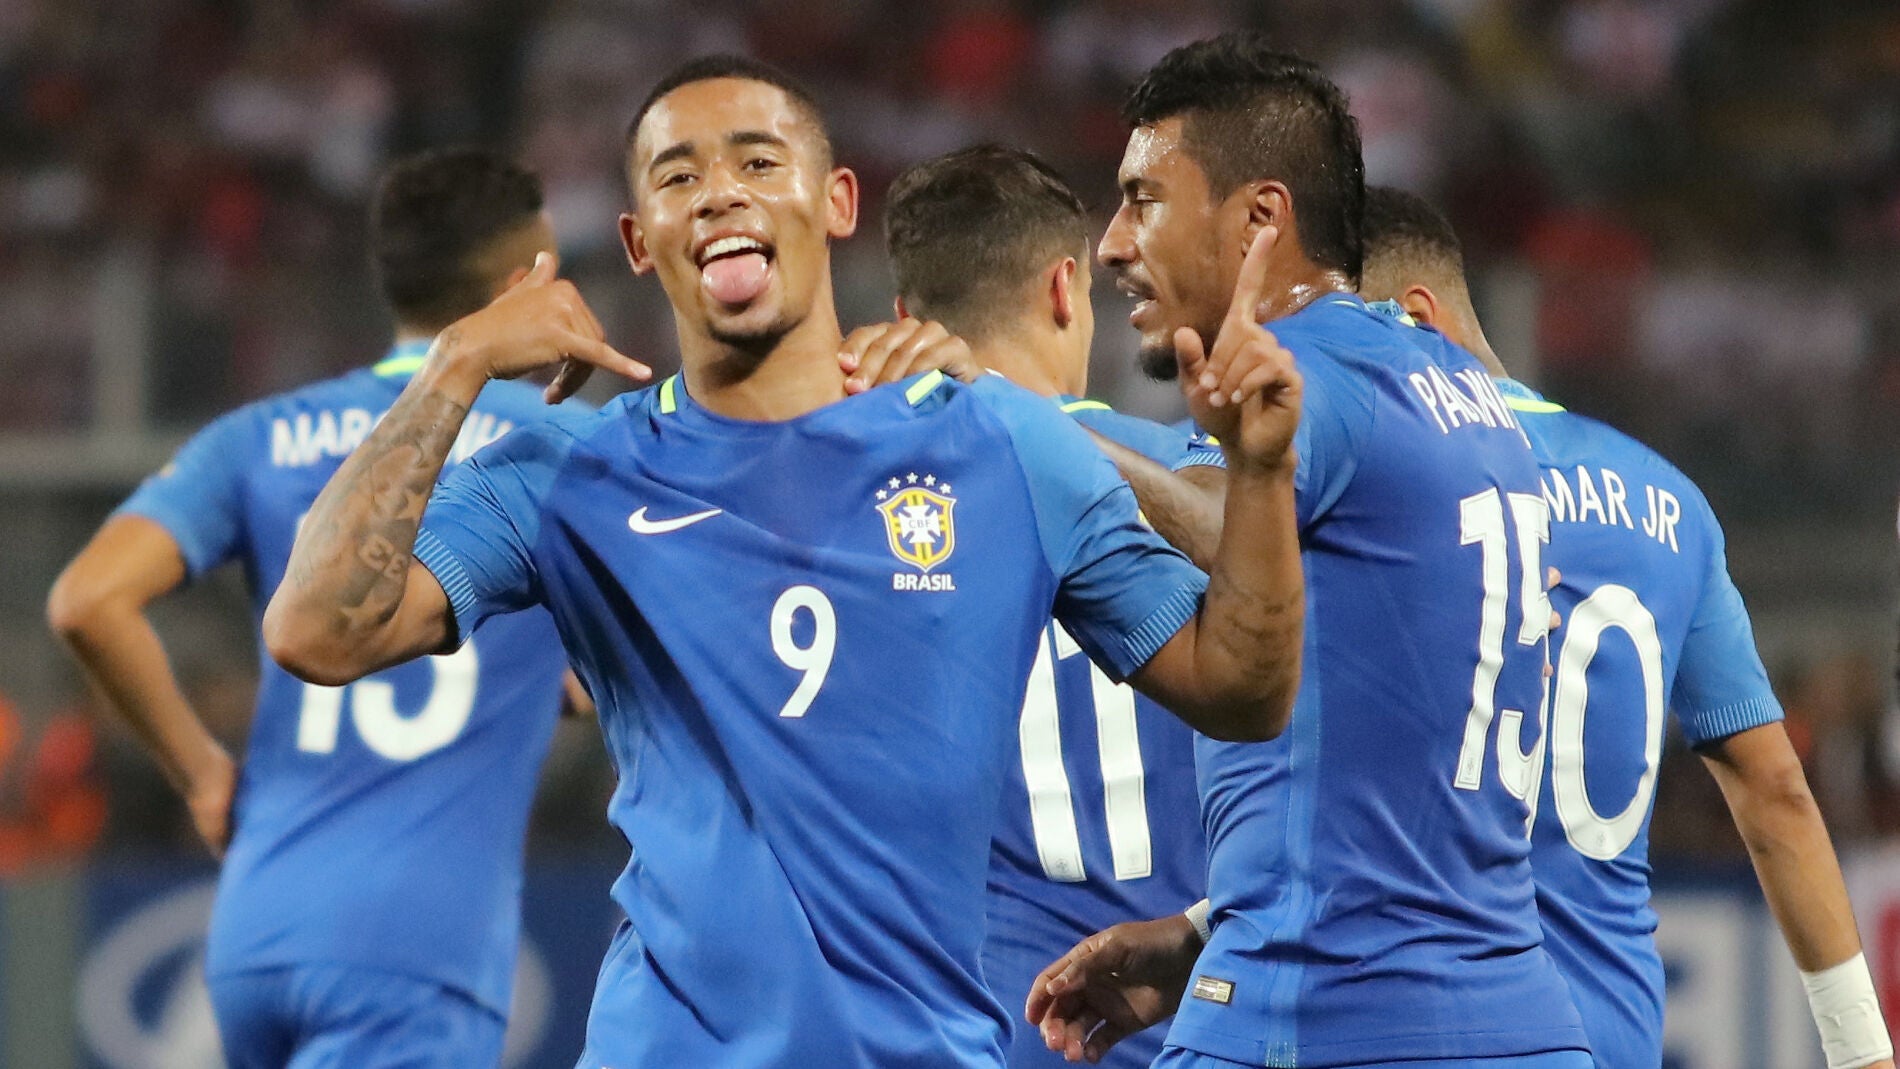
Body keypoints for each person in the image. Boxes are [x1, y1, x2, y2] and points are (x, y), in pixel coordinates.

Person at [260, 54, 1309, 1069]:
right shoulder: (569, 471)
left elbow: (1242, 689)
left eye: (758, 163)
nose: (719, 194)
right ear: (638, 240)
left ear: (836, 201)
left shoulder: (997, 442)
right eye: (680, 177)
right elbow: (315, 627)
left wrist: (1260, 476)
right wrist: (456, 363)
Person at [1022, 34, 1590, 1069]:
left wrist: (1013, 425)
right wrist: (1204, 929)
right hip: (1512, 1023)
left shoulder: (1310, 377)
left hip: (1317, 1018)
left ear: (1257, 220)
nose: (1109, 243)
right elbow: (1396, 766)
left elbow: (1227, 514)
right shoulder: (1457, 393)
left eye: (1144, 197)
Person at [46, 148, 585, 1068]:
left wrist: (203, 775)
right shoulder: (556, 453)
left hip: (256, 926)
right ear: (513, 289)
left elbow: (88, 600)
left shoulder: (260, 434)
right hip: (420, 942)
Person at [1358, 185, 1893, 1069]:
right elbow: (1777, 793)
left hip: (1420, 1024)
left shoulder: (1376, 501)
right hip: (1611, 1038)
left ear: (1414, 318)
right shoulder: (1670, 501)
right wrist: (1862, 1051)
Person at [881, 143, 1216, 1069]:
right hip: (1190, 1017)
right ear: (1068, 288)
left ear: (905, 316)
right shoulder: (1189, 468)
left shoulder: (861, 495)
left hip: (979, 1019)